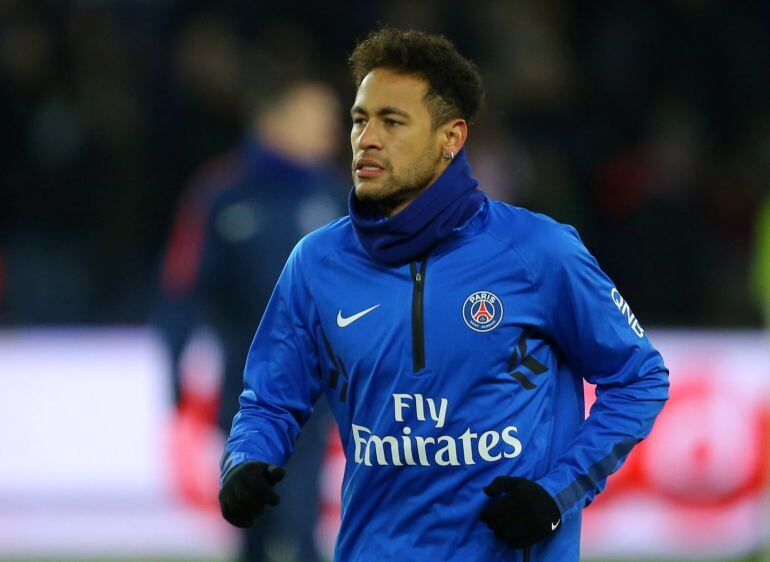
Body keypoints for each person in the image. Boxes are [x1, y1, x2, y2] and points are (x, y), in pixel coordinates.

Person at [218, 28, 669, 562]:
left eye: (392, 121)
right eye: (361, 119)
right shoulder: (316, 264)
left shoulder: (537, 252)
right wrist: (245, 461)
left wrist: (557, 493)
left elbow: (639, 379)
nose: (367, 138)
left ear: (450, 138)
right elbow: (270, 399)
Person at [157, 79, 343, 562]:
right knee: (254, 524)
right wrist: (175, 371)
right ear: (274, 122)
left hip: (315, 389)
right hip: (245, 388)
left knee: (299, 523)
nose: (329, 130)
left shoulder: (338, 193)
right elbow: (181, 286)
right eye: (314, 118)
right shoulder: (221, 193)